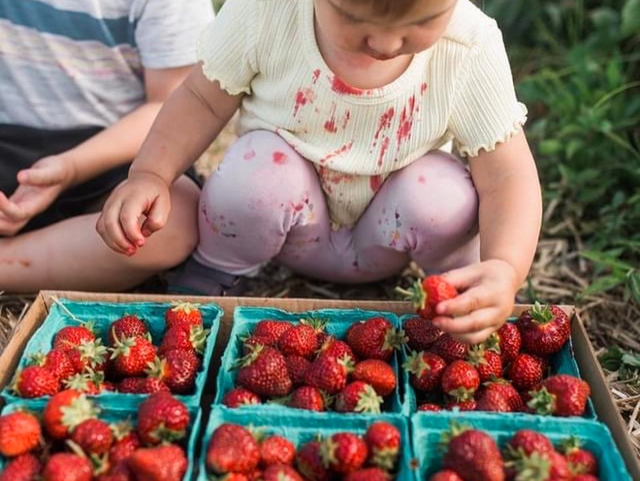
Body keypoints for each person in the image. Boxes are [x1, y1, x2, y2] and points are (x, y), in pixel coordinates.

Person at [98, 0, 543, 345]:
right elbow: (201, 99)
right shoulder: (269, 12)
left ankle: (463, 291)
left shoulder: (467, 46)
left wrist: (504, 265)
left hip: (390, 234)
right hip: (287, 227)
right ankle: (215, 269)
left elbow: (507, 175)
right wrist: (151, 173)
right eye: (352, 17)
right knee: (256, 170)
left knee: (444, 195)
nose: (385, 45)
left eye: (423, 20)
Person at [0, 0, 214, 293]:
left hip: (120, 150)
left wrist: (71, 168)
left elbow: (170, 106)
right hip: (9, 136)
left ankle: (9, 263)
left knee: (175, 219)